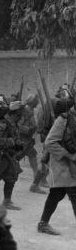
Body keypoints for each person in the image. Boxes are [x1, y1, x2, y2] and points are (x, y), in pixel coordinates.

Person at [37, 98, 76, 235]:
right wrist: (69, 155)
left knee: (57, 194)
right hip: (61, 164)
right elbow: (50, 142)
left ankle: (43, 224)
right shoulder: (63, 119)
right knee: (73, 193)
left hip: (71, 164)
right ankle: (43, 224)